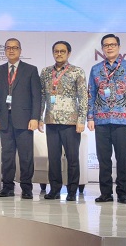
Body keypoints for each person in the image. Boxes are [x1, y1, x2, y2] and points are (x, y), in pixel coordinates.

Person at [88, 34, 126, 204]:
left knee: (122, 159)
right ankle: (105, 193)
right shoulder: (96, 69)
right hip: (101, 121)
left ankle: (122, 193)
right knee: (103, 159)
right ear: (102, 49)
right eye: (106, 45)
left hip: (123, 121)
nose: (109, 47)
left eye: (112, 44)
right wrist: (90, 117)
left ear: (118, 47)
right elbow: (91, 94)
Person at [0, 38, 42, 199]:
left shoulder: (31, 70)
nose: (11, 50)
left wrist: (35, 117)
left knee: (26, 155)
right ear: (5, 50)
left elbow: (36, 97)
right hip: (4, 119)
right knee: (7, 155)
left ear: (20, 50)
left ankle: (26, 188)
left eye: (15, 48)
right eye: (8, 48)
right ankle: (7, 187)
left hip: (25, 119)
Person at [38, 41, 87, 202]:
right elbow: (42, 96)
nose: (59, 54)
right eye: (56, 51)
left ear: (69, 53)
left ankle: (72, 191)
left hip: (71, 123)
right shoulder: (46, 72)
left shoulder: (77, 71)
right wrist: (39, 117)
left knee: (72, 158)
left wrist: (81, 120)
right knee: (53, 158)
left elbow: (83, 97)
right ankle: (55, 189)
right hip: (51, 121)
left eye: (62, 51)